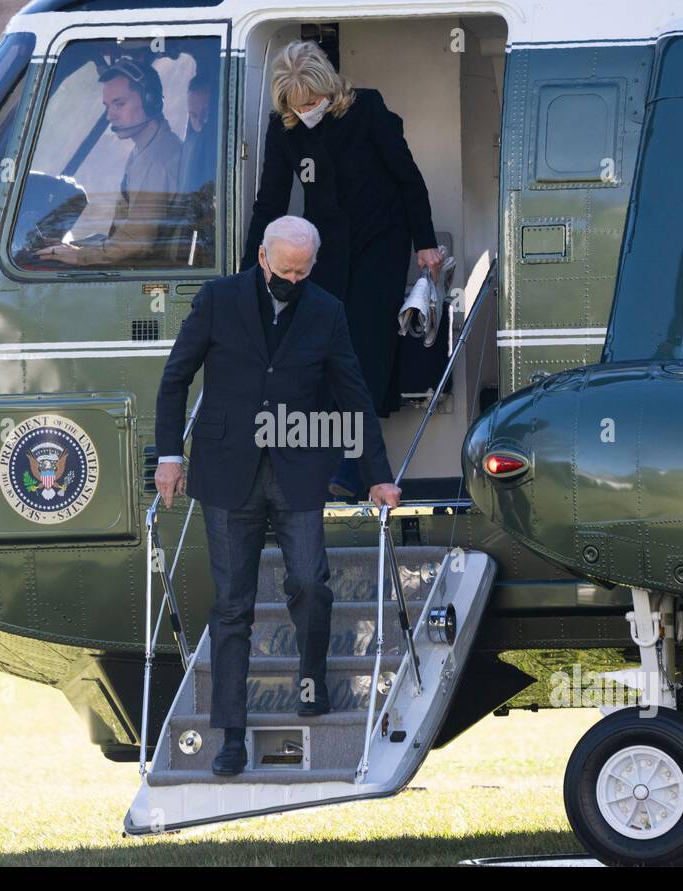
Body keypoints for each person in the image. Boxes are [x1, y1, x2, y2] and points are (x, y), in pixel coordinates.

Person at [155, 215, 402, 776]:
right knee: (232, 606)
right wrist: (170, 455)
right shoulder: (218, 299)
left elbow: (353, 395)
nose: (291, 279)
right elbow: (175, 379)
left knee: (311, 584)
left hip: (297, 468)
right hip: (226, 471)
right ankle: (232, 735)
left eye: (302, 271)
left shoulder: (326, 310)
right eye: (284, 269)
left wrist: (378, 475)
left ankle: (310, 680)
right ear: (263, 257)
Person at [241, 40, 443, 500]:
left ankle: (355, 470)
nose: (309, 110)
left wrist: (425, 243)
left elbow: (409, 178)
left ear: (329, 89)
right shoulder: (286, 128)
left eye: (314, 101)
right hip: (326, 252)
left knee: (366, 353)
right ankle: (335, 465)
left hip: (379, 246)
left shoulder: (367, 109)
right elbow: (270, 201)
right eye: (299, 105)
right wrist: (252, 267)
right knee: (324, 353)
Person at [35, 57, 182, 267]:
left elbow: (136, 241)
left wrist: (79, 256)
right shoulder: (146, 149)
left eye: (119, 104)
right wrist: (73, 247)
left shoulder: (156, 161)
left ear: (151, 101)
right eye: (107, 106)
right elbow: (125, 237)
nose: (110, 114)